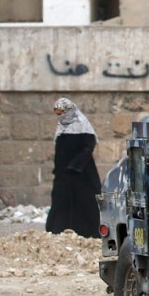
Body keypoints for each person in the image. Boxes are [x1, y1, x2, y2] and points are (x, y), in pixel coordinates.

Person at [46, 98, 102, 238]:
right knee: (60, 202)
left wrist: (75, 165)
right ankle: (57, 230)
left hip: (82, 174)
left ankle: (90, 233)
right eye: (57, 113)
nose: (60, 116)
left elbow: (88, 148)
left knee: (86, 203)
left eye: (61, 112)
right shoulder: (61, 127)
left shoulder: (83, 126)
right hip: (63, 175)